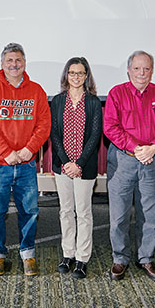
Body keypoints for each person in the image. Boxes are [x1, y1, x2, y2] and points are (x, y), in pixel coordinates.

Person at [0, 42, 51, 276]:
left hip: (27, 164)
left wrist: (30, 149)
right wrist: (7, 153)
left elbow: (44, 124)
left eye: (18, 60)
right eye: (9, 60)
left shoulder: (37, 91)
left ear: (24, 63)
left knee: (29, 210)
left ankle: (27, 253)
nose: (14, 64)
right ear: (2, 63)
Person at [104, 50, 155, 282]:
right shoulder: (117, 93)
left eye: (146, 69)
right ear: (128, 70)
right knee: (119, 215)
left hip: (151, 161)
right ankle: (120, 258)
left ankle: (145, 258)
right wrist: (137, 147)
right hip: (123, 161)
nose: (141, 73)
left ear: (152, 70)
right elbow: (111, 127)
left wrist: (154, 147)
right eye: (137, 68)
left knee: (151, 215)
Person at [50, 57, 102, 279]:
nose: (76, 77)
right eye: (72, 73)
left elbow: (95, 135)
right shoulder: (58, 101)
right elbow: (54, 134)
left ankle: (82, 258)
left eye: (81, 73)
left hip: (84, 167)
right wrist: (66, 163)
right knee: (65, 211)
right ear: (66, 75)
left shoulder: (93, 102)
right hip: (62, 166)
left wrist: (78, 163)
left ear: (86, 76)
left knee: (83, 213)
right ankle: (68, 253)